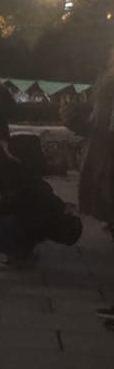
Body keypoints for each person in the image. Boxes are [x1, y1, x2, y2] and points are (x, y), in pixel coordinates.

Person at [0, 140, 73, 266]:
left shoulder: (11, 174)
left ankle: (22, 253)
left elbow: (6, 206)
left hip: (36, 220)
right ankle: (23, 248)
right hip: (25, 219)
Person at [62, 44, 114, 247]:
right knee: (102, 181)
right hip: (102, 138)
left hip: (105, 137)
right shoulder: (105, 80)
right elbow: (95, 107)